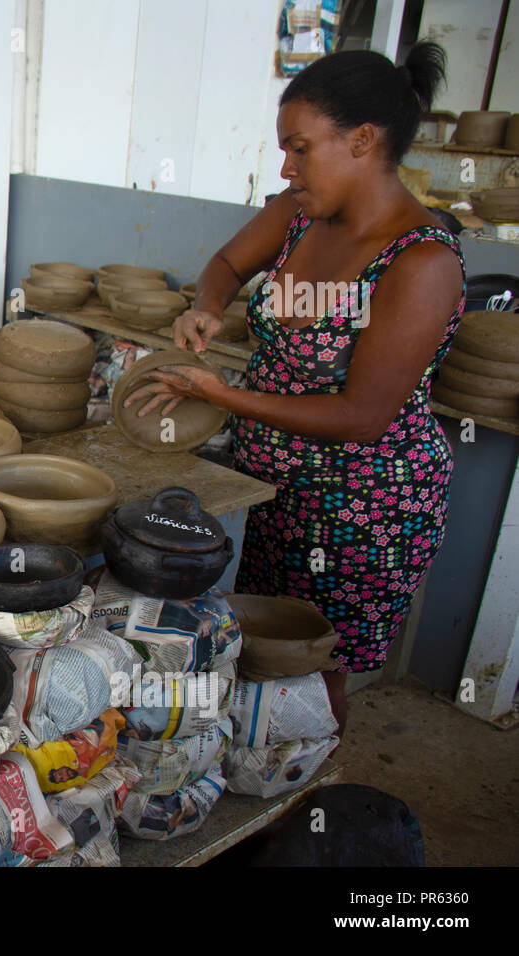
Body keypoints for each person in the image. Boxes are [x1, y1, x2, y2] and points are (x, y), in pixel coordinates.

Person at [123, 42, 464, 736]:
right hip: (266, 482)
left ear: (362, 140)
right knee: (241, 640)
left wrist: (219, 395)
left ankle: (306, 804)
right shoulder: (300, 211)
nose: (285, 167)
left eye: (299, 149)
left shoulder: (422, 261)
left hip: (362, 502)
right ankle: (237, 775)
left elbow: (362, 416)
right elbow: (225, 262)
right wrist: (208, 306)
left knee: (309, 664)